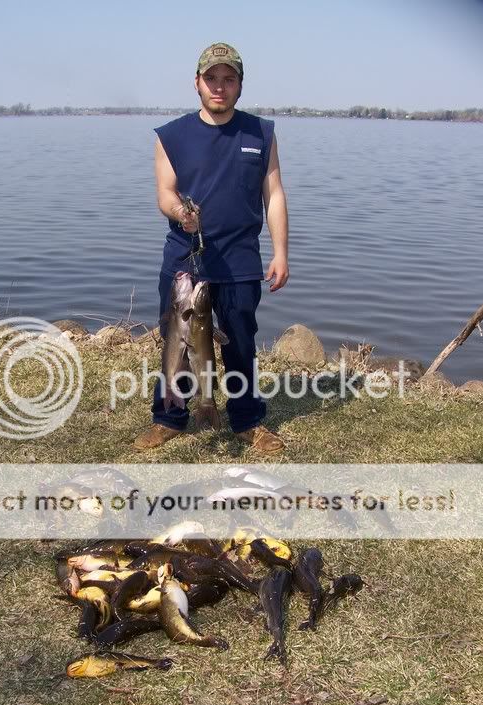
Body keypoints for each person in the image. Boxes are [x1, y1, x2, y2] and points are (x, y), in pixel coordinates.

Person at [133, 42, 289, 453]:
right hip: (185, 260)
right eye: (211, 79)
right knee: (176, 342)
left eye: (229, 79)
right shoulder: (172, 136)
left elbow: (273, 195)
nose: (219, 87)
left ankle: (248, 422)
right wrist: (181, 212)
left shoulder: (261, 133)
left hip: (240, 261)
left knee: (240, 342)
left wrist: (281, 252)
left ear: (239, 85)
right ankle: (168, 417)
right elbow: (164, 194)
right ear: (197, 83)